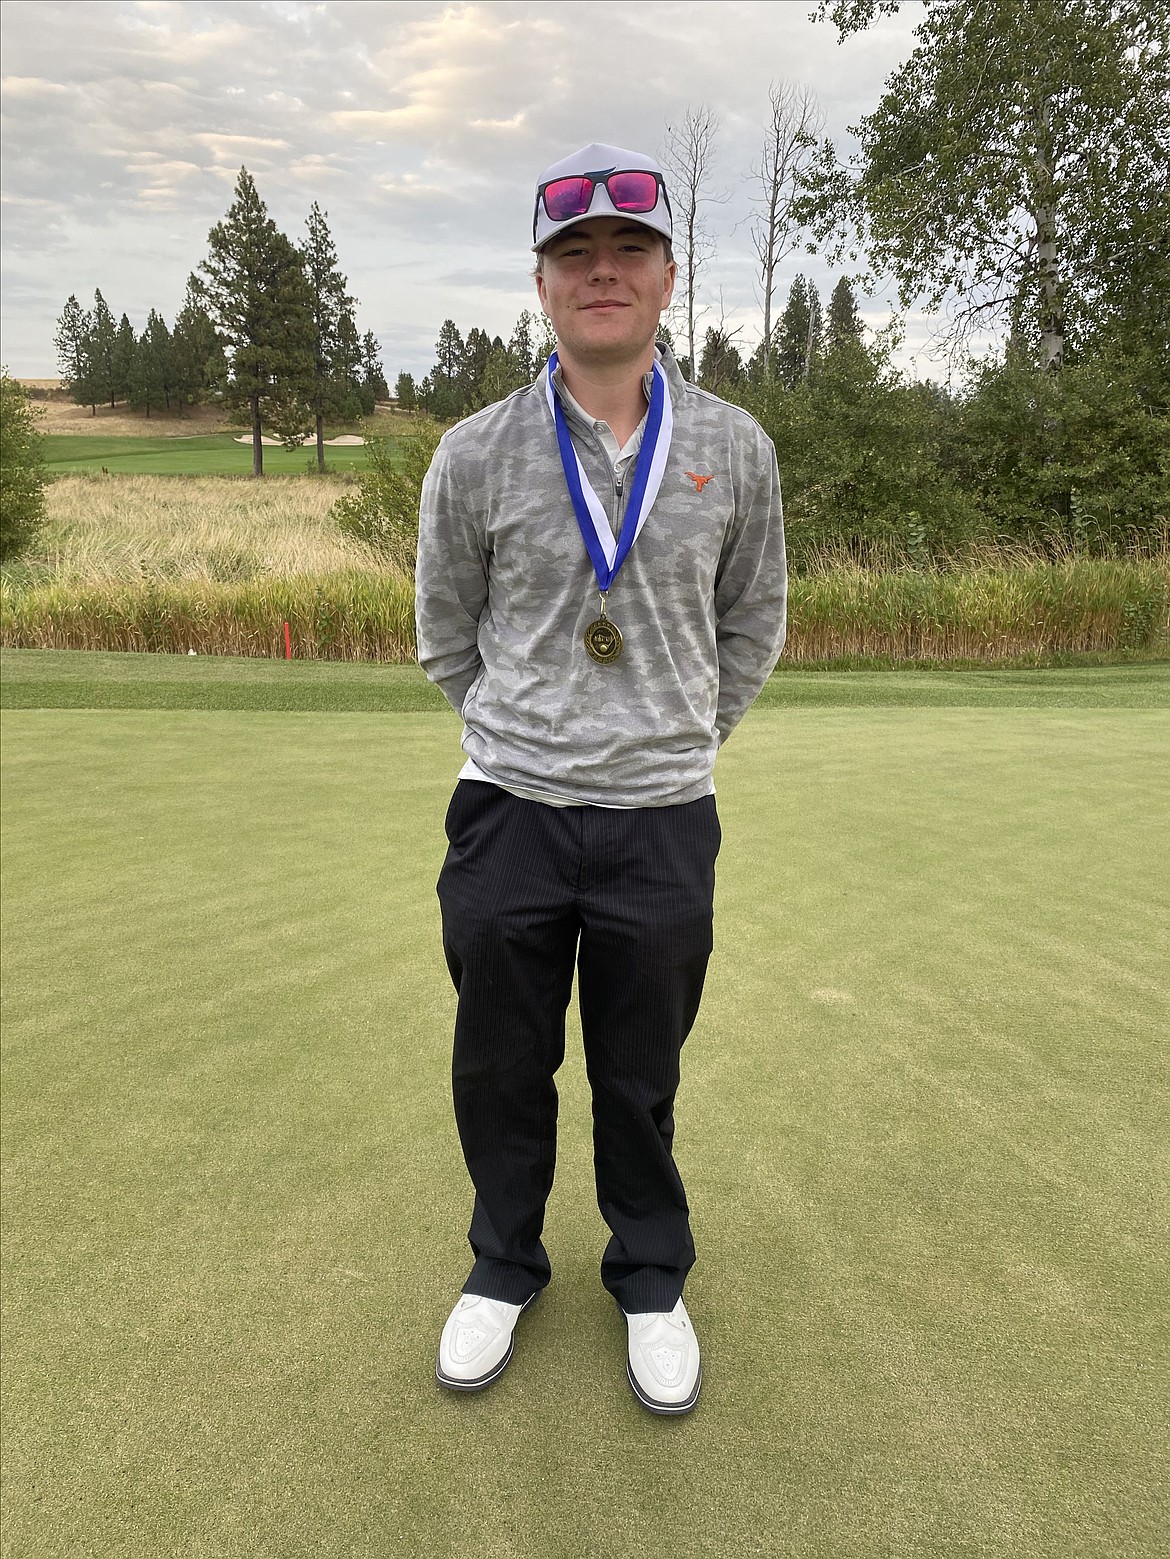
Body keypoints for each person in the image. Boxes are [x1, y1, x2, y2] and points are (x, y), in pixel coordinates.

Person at [415, 142, 787, 1415]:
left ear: (669, 277)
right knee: (500, 1063)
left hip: (663, 820)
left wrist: (679, 735)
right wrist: (528, 737)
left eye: (628, 250)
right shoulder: (473, 451)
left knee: (640, 1072)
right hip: (509, 813)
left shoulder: (734, 447)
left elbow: (755, 626)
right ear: (543, 283)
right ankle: (503, 1264)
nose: (603, 272)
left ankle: (649, 1279)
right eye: (576, 255)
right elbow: (443, 634)